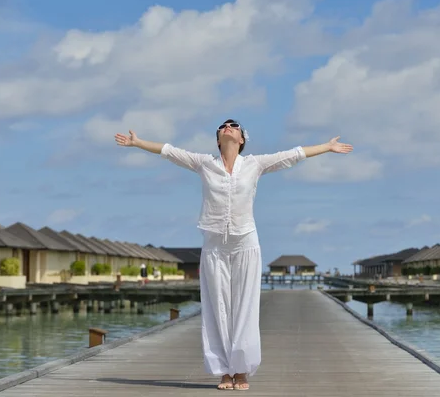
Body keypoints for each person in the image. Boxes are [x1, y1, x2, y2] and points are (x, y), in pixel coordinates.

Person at [114, 119, 353, 391]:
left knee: (245, 307)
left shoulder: (255, 164)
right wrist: (138, 143)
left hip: (246, 244)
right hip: (214, 245)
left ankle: (241, 370)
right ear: (218, 139)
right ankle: (223, 371)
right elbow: (169, 151)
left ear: (241, 139)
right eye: (223, 125)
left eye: (234, 125)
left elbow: (294, 155)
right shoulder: (205, 163)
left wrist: (328, 147)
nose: (228, 126)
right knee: (217, 308)